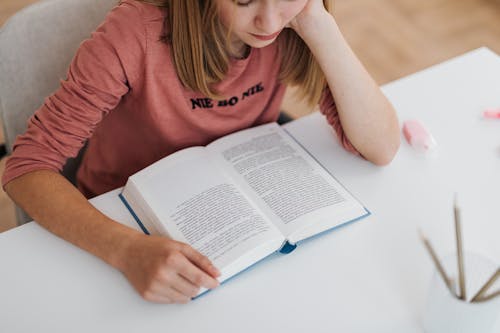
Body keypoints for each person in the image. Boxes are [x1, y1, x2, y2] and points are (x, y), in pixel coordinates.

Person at [2, 0, 400, 304]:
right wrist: (125, 249)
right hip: (125, 216)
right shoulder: (135, 33)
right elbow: (26, 169)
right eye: (244, 0)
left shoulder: (294, 23)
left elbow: (381, 147)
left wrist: (318, 25)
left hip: (233, 210)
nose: (270, 22)